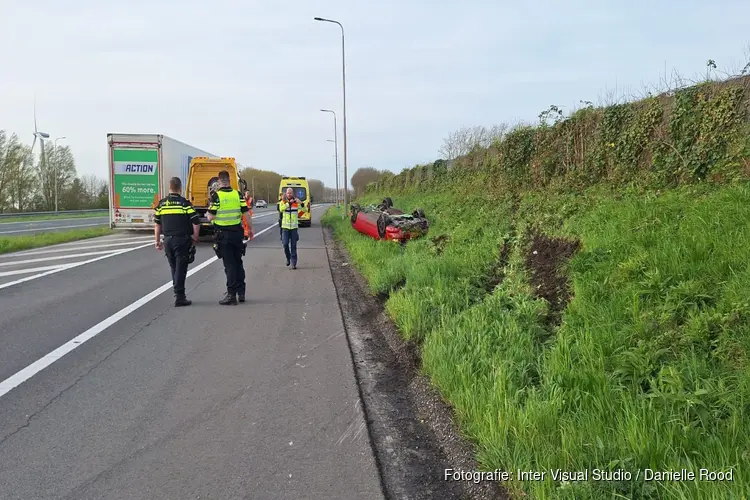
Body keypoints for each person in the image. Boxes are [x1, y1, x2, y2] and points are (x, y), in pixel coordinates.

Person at [207, 170, 252, 305]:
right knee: (238, 262)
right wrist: (250, 229)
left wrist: (209, 215)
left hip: (223, 235)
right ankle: (241, 292)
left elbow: (211, 216)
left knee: (229, 265)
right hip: (237, 234)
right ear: (229, 180)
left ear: (219, 181)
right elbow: (246, 214)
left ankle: (231, 295)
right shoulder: (237, 195)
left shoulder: (217, 196)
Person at [154, 176, 200, 307]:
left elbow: (157, 224)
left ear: (170, 188)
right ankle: (179, 296)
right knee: (181, 268)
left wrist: (157, 241)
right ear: (180, 188)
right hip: (182, 240)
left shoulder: (162, 204)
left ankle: (178, 293)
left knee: (174, 267)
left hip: (168, 240)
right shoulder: (184, 203)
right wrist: (195, 237)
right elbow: (196, 222)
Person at [279, 187, 301, 269]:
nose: (289, 194)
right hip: (285, 227)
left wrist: (301, 203)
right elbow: (281, 209)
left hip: (294, 228)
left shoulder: (296, 202)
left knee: (293, 245)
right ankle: (288, 258)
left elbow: (305, 209)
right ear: (286, 194)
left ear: (293, 194)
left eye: (291, 193)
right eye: (288, 193)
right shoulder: (283, 202)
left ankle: (293, 263)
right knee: (285, 244)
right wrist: (289, 204)